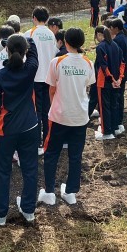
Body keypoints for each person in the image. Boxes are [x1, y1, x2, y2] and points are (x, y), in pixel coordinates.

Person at [0, 35, 40, 226]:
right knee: (30, 169)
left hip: (6, 130)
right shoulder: (30, 69)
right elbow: (33, 50)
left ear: (7, 51)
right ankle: (28, 210)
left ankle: (0, 214)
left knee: (2, 171)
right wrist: (22, 39)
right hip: (30, 126)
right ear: (25, 51)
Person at [38, 28, 95, 206]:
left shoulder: (57, 62)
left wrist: (54, 106)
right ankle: (71, 192)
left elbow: (51, 89)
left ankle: (49, 192)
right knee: (75, 155)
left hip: (59, 116)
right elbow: (86, 86)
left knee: (51, 153)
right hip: (80, 116)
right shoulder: (88, 63)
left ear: (65, 41)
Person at [24, 6, 58, 153]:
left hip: (35, 77)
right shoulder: (51, 34)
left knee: (36, 110)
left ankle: (37, 143)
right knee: (47, 110)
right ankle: (47, 141)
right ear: (47, 19)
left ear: (34, 18)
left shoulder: (29, 33)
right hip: (49, 77)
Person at [87, 26, 124, 140]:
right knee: (114, 104)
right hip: (116, 81)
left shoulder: (101, 47)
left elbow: (103, 66)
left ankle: (107, 132)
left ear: (99, 35)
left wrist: (111, 78)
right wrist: (118, 79)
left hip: (104, 81)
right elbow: (122, 63)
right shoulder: (116, 45)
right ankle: (114, 128)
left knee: (104, 107)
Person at [107, 19, 127, 135]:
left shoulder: (117, 41)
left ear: (116, 28)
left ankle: (117, 122)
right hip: (123, 73)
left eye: (111, 28)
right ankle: (119, 121)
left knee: (116, 99)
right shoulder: (125, 38)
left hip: (119, 74)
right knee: (120, 98)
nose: (110, 30)